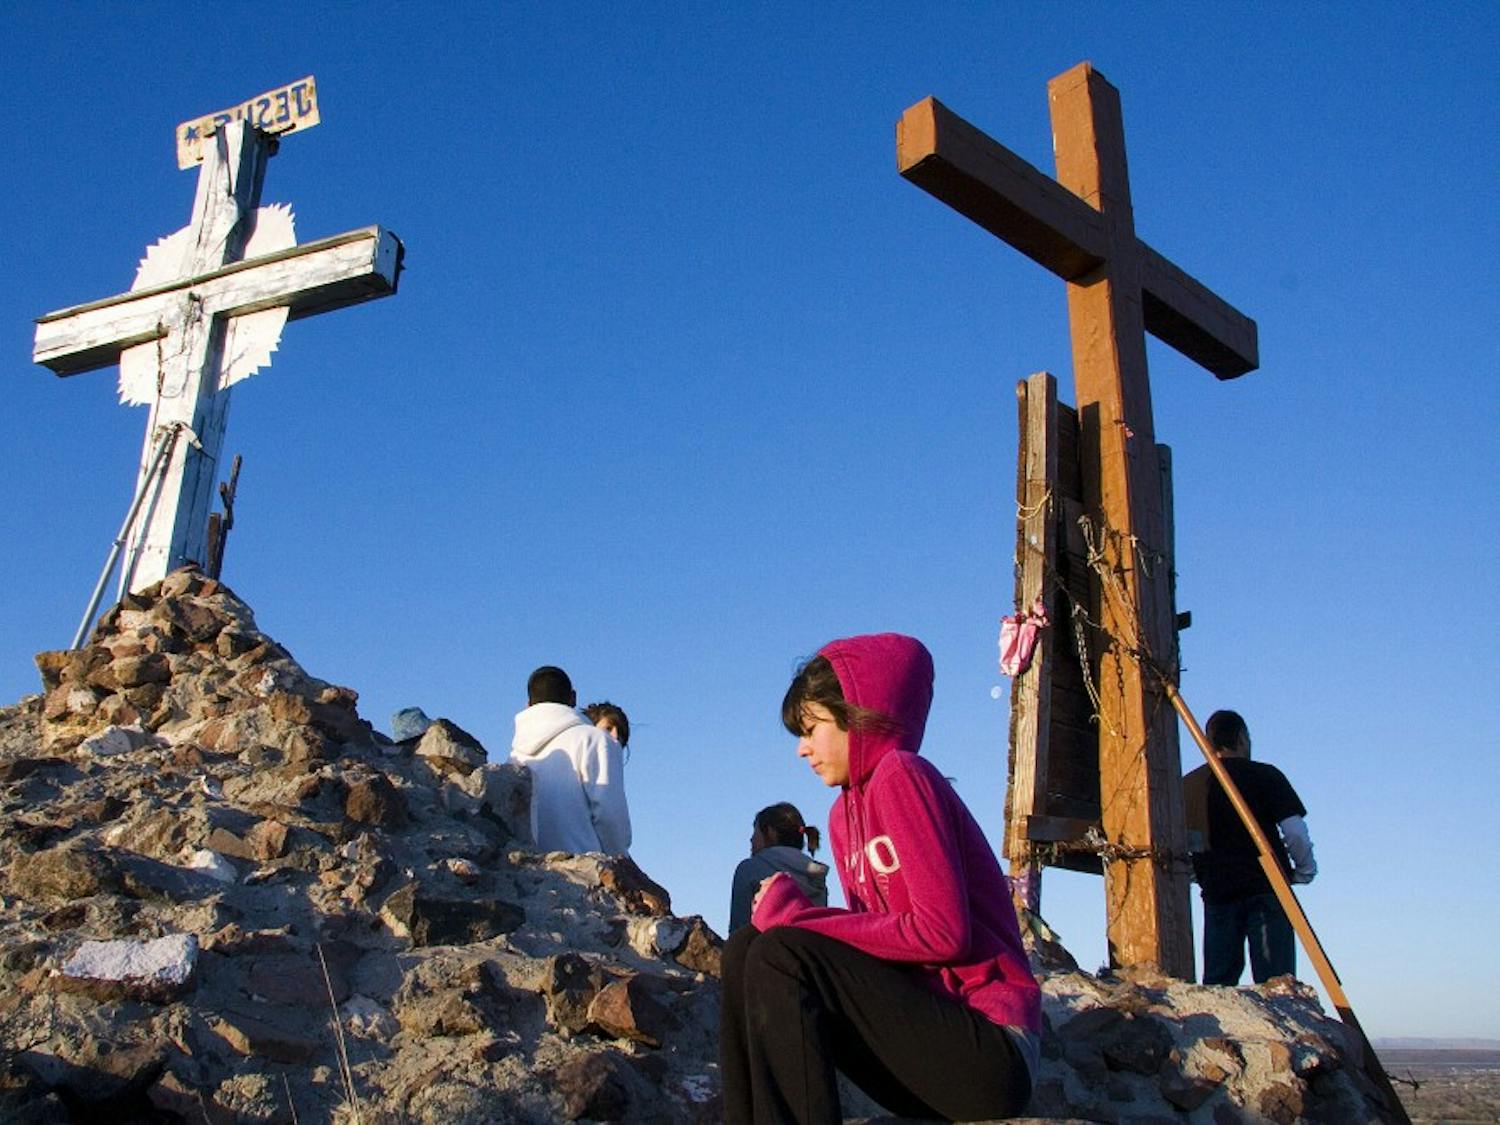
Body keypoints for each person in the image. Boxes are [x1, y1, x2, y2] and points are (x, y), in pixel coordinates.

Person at [720, 633, 1039, 1124]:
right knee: (747, 947)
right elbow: (871, 947)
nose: (802, 750)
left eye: (811, 728)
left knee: (782, 950)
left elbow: (942, 933)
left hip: (989, 1047)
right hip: (917, 1038)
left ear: (857, 715)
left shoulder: (902, 776)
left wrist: (801, 918)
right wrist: (796, 922)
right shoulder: (842, 819)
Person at [1183, 708, 1317, 986]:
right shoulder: (1266, 775)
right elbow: (1294, 831)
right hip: (1267, 887)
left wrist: (1199, 876)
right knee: (1277, 987)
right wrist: (1302, 871)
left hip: (1218, 890)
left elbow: (1187, 842)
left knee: (1219, 987)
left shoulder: (1191, 785)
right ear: (1242, 738)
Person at [509, 666, 631, 855]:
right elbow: (610, 816)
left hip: (532, 874)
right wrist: (619, 861)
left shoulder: (514, 757)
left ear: (528, 705)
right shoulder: (595, 740)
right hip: (586, 870)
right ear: (573, 698)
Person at [728, 803, 829, 933]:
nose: (751, 839)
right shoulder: (817, 876)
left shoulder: (749, 869)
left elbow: (739, 929)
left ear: (771, 833)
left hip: (765, 950)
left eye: (755, 832)